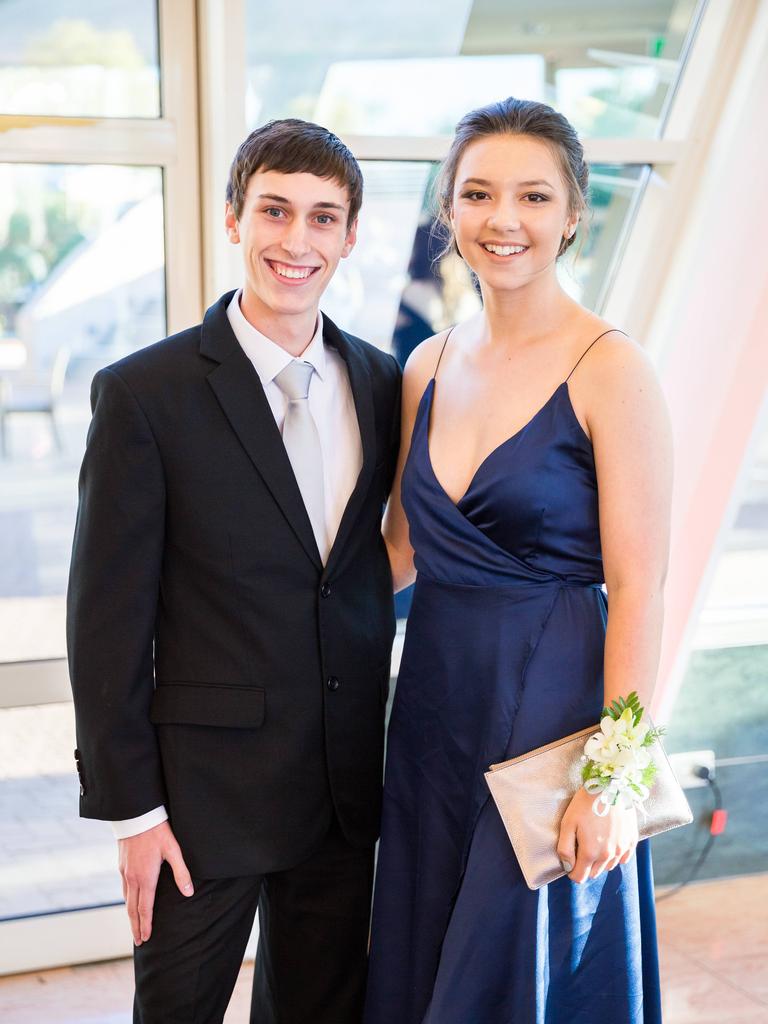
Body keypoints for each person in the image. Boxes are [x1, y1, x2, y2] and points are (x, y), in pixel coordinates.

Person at [67, 118, 401, 1024]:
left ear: (350, 234)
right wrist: (134, 814)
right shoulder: (145, 394)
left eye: (323, 218)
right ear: (233, 219)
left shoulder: (384, 382)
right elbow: (105, 622)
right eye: (275, 211)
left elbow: (367, 569)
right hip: (198, 809)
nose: (298, 241)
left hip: (339, 796)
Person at [364, 96, 672, 1024]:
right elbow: (400, 555)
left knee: (513, 972)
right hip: (432, 713)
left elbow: (645, 588)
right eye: (480, 194)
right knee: (426, 951)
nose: (505, 219)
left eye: (534, 197)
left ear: (573, 215)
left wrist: (612, 781)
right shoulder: (424, 365)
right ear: (448, 211)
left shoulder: (614, 369)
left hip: (552, 719)